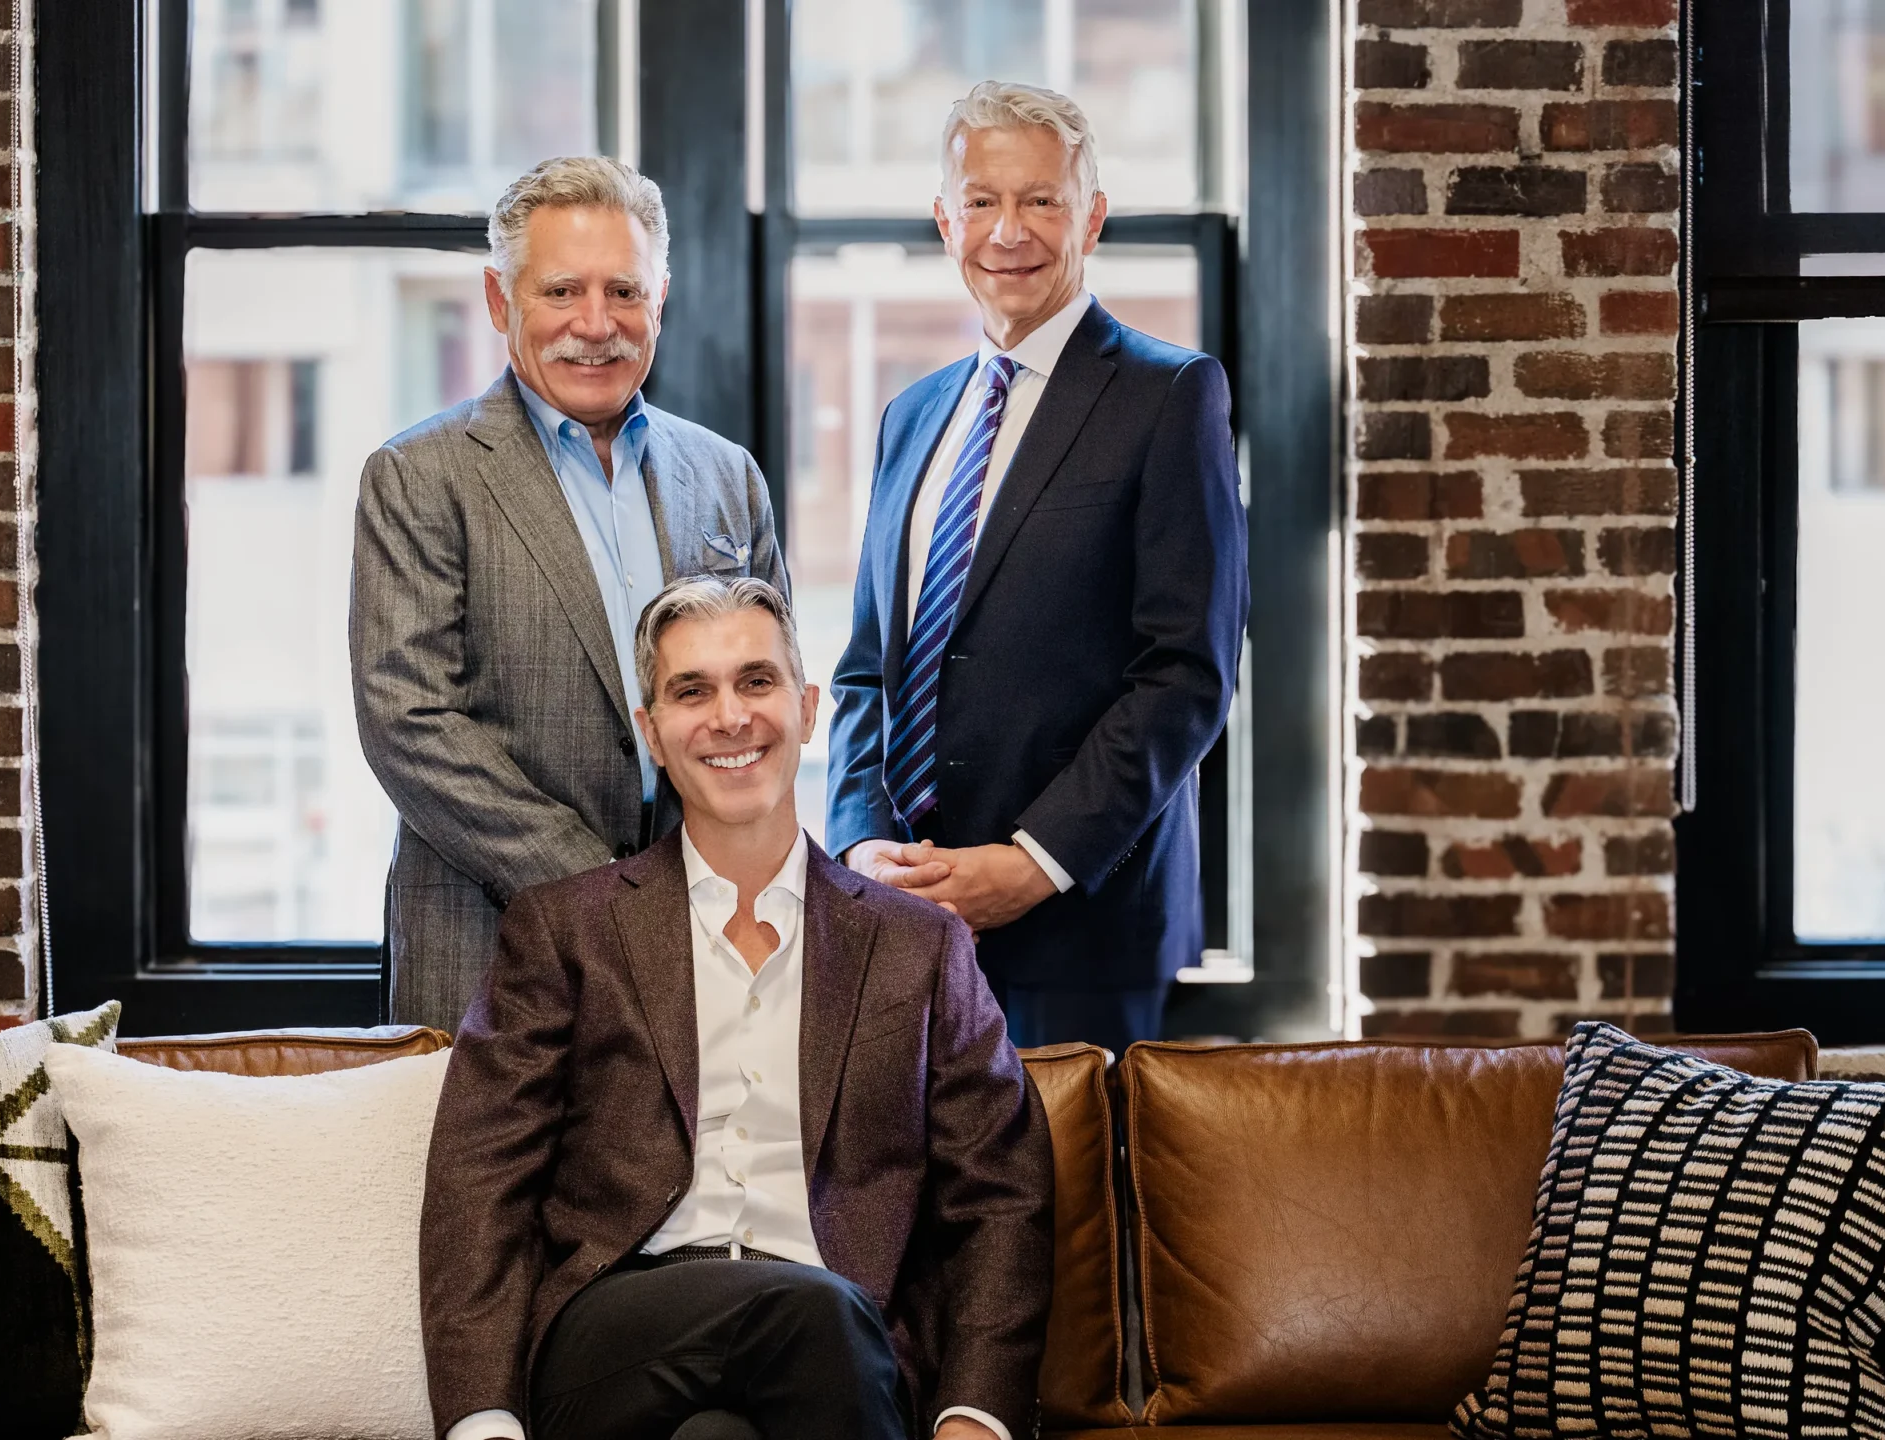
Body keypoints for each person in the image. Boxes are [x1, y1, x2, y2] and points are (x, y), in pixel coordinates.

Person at [421, 575, 1052, 1440]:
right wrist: (482, 1419)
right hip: (616, 1335)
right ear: (652, 733)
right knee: (814, 1316)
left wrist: (973, 1415)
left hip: (842, 1352)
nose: (729, 717)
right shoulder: (565, 931)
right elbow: (480, 1182)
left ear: (808, 706)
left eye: (757, 681)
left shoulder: (920, 946)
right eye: (692, 691)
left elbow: (1001, 1194)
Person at [826, 81, 1250, 1055]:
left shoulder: (1170, 396)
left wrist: (1032, 862)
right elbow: (865, 669)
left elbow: (1185, 673)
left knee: (1071, 1164)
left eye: (1041, 200)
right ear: (946, 221)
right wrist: (861, 846)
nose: (1008, 231)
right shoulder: (911, 417)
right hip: (906, 924)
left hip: (1084, 929)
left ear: (1090, 216)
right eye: (981, 200)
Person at [353, 156, 787, 1030]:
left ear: (660, 299)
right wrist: (615, 897)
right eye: (561, 292)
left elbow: (765, 699)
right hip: (491, 951)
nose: (596, 324)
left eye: (624, 291)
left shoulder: (727, 476)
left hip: (703, 952)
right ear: (499, 300)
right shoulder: (418, 477)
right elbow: (409, 723)